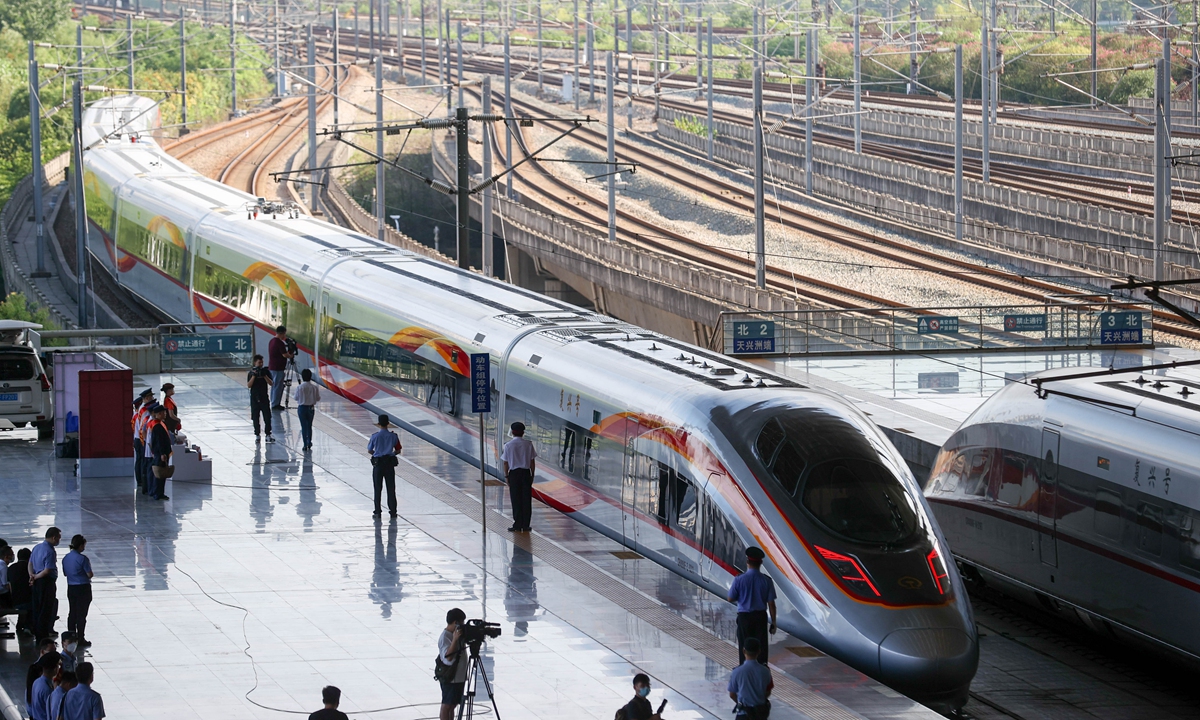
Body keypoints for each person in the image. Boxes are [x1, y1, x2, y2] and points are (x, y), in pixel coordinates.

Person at [727, 547, 777, 665]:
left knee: (744, 647)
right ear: (761, 563)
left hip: (744, 618)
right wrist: (774, 623)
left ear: (747, 562)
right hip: (760, 618)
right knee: (761, 649)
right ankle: (762, 671)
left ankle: (745, 668)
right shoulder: (767, 581)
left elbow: (730, 598)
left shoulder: (739, 579)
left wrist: (743, 596)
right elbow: (771, 604)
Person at [500, 422, 537, 532]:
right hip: (526, 473)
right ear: (523, 433)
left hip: (514, 474)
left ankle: (517, 524)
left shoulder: (508, 445)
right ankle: (526, 525)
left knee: (515, 499)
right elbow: (532, 462)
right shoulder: (528, 444)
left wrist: (506, 476)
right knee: (526, 499)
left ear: (512, 432)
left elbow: (505, 463)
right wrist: (532, 475)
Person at [728, 637, 773, 719]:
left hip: (743, 714)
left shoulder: (737, 672)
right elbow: (768, 691)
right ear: (759, 651)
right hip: (760, 714)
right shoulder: (765, 671)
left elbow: (732, 694)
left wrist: (740, 703)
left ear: (744, 651)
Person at [366, 415, 402, 517]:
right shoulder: (393, 436)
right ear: (388, 423)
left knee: (377, 488)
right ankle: (393, 511)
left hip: (378, 465)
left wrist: (377, 454)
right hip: (389, 465)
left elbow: (369, 450)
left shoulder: (374, 436)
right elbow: (398, 450)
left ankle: (377, 511)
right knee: (391, 488)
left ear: (379, 424)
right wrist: (391, 455)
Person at [29, 527, 61, 641]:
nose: (59, 540)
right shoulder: (50, 551)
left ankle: (37, 633)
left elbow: (30, 563)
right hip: (46, 582)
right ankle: (43, 635)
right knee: (46, 609)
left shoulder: (37, 547)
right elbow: (48, 570)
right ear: (54, 537)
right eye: (58, 538)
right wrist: (37, 576)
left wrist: (32, 576)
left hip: (37, 582)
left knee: (37, 607)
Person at [438, 608, 469, 720]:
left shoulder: (457, 634)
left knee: (453, 705)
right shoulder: (445, 637)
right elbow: (448, 658)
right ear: (456, 622)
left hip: (459, 676)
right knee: (447, 705)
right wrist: (455, 639)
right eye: (461, 622)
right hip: (451, 677)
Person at [62, 536, 93, 647]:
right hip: (83, 588)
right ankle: (80, 637)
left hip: (71, 587)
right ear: (80, 545)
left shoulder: (65, 558)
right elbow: (90, 574)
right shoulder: (82, 559)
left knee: (72, 613)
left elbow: (65, 573)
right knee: (81, 614)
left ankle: (71, 636)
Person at [247, 355, 275, 443]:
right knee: (255, 417)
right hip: (254, 398)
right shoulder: (251, 373)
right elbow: (249, 385)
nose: (261, 364)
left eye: (262, 362)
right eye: (259, 362)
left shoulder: (265, 371)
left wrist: (264, 376)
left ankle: (268, 434)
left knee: (267, 416)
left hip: (264, 397)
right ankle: (257, 435)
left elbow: (271, 383)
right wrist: (254, 376)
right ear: (255, 363)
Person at [147, 405, 172, 501]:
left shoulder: (160, 423)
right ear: (159, 414)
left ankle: (159, 492)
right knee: (159, 474)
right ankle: (157, 493)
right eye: (163, 413)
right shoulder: (157, 426)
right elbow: (159, 441)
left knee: (162, 474)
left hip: (162, 453)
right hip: (161, 454)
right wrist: (162, 453)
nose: (165, 414)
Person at [293, 368, 320, 452]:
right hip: (311, 408)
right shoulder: (314, 387)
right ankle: (309, 441)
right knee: (309, 425)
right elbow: (318, 398)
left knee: (303, 426)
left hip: (302, 408)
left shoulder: (300, 387)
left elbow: (295, 398)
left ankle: (305, 444)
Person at [131, 389, 153, 491]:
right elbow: (142, 428)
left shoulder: (139, 411)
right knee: (142, 461)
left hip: (137, 438)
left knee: (140, 460)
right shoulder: (144, 411)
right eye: (151, 397)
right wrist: (144, 441)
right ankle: (141, 480)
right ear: (147, 398)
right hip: (140, 439)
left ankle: (140, 480)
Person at [268, 325, 293, 410]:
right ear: (282, 333)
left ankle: (273, 402)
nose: (284, 336)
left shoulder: (272, 341)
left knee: (274, 386)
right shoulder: (279, 343)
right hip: (278, 368)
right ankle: (275, 404)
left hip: (272, 367)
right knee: (278, 386)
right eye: (284, 334)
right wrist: (291, 355)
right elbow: (285, 355)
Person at [29, 651, 59, 720]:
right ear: (55, 669)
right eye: (58, 666)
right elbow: (52, 711)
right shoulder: (47, 688)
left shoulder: (37, 681)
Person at [10, 548, 33, 634]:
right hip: (28, 599)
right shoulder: (30, 569)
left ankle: (21, 624)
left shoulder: (11, 568)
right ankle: (27, 626)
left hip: (14, 600)